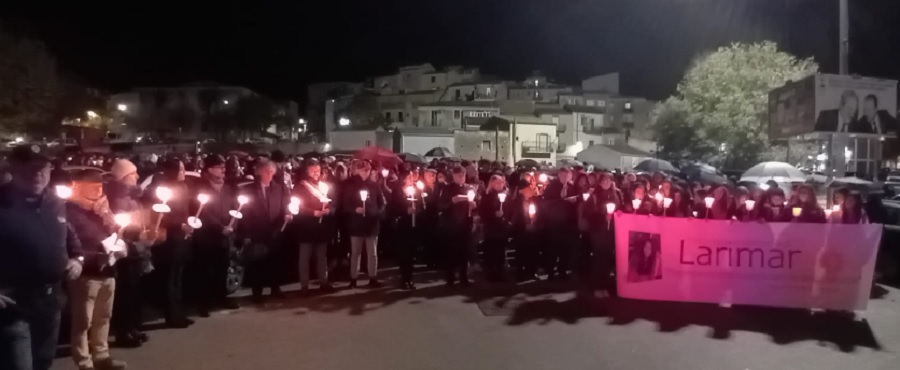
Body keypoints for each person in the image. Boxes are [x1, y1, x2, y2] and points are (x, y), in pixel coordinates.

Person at [0, 146, 84, 370]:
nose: (38, 174)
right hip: (13, 308)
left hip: (49, 303)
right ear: (13, 169)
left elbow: (69, 237)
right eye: (30, 168)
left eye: (43, 168)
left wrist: (77, 259)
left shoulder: (55, 203)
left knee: (43, 362)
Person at [65, 170, 128, 370]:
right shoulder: (71, 212)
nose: (98, 190)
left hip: (108, 271)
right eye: (93, 186)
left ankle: (102, 356)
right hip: (86, 274)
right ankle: (84, 362)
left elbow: (116, 233)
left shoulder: (103, 210)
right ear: (79, 187)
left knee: (103, 317)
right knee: (83, 322)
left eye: (100, 186)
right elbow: (72, 245)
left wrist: (122, 246)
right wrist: (95, 256)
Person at [145, 158, 195, 328]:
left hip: (182, 238)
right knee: (169, 278)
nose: (183, 172)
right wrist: (179, 224)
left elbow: (185, 210)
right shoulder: (161, 188)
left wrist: (189, 224)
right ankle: (171, 315)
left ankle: (179, 312)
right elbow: (160, 214)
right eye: (180, 170)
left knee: (178, 278)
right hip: (169, 239)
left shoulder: (183, 186)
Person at [105, 159, 149, 347]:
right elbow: (118, 225)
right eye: (133, 173)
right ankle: (124, 332)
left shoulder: (130, 195)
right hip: (125, 250)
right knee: (125, 293)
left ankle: (132, 328)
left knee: (134, 292)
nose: (138, 176)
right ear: (124, 176)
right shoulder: (117, 197)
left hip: (135, 247)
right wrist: (136, 233)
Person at [190, 155, 241, 315]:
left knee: (222, 267)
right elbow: (203, 211)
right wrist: (220, 227)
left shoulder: (228, 187)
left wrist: (233, 225)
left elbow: (236, 208)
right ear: (209, 170)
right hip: (207, 236)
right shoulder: (200, 187)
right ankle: (204, 302)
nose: (223, 170)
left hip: (225, 235)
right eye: (219, 167)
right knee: (205, 269)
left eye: (223, 166)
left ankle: (221, 296)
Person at [238, 159, 292, 303]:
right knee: (258, 264)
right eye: (267, 172)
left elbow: (285, 205)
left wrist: (287, 213)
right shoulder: (250, 189)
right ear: (259, 172)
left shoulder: (278, 187)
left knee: (275, 261)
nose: (270, 175)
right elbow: (245, 214)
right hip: (258, 231)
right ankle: (257, 292)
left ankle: (275, 288)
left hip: (275, 231)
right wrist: (247, 235)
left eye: (272, 172)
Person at [341, 161, 386, 289]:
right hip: (357, 223)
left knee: (372, 253)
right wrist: (355, 209)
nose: (363, 173)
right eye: (361, 170)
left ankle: (373, 277)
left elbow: (382, 202)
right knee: (355, 252)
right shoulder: (351, 185)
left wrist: (376, 212)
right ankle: (353, 278)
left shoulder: (375, 185)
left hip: (371, 223)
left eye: (365, 170)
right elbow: (345, 204)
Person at [293, 159, 336, 294]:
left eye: (318, 170)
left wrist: (329, 210)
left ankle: (324, 281)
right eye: (313, 171)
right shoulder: (300, 187)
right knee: (304, 257)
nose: (316, 173)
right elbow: (298, 206)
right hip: (306, 227)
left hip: (321, 227)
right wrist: (313, 212)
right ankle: (304, 285)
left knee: (322, 256)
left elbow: (333, 203)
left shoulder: (324, 186)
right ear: (307, 171)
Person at [439, 166, 477, 286]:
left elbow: (476, 204)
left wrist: (473, 205)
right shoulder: (447, 188)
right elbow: (441, 206)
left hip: (466, 223)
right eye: (458, 175)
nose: (461, 178)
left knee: (465, 252)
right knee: (451, 252)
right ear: (454, 176)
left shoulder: (469, 188)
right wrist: (452, 201)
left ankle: (463, 277)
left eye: (463, 175)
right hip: (452, 224)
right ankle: (450, 278)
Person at [541, 167, 579, 280]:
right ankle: (551, 272)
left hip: (568, 222)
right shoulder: (552, 186)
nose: (565, 178)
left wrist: (574, 201)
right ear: (558, 175)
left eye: (567, 176)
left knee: (565, 248)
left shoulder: (572, 187)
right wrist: (561, 200)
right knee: (553, 248)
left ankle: (562, 270)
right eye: (562, 175)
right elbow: (545, 202)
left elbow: (577, 201)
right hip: (554, 221)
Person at [389, 168, 424, 290]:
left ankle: (410, 278)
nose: (412, 179)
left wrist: (417, 209)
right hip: (402, 226)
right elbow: (392, 209)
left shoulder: (416, 191)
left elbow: (421, 206)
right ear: (403, 179)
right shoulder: (397, 192)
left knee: (411, 254)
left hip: (413, 226)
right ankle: (404, 279)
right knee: (404, 254)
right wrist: (405, 210)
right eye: (409, 177)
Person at [478, 174, 510, 282]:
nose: (500, 185)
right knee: (491, 250)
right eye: (497, 183)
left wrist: (504, 217)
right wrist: (493, 214)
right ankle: (490, 273)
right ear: (491, 184)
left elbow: (510, 210)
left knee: (501, 250)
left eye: (501, 182)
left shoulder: (506, 195)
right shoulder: (487, 196)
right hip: (491, 227)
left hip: (502, 227)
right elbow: (482, 212)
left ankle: (500, 272)